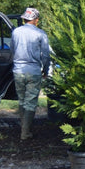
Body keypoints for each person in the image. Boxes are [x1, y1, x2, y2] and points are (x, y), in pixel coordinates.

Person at [10, 8, 51, 140]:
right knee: (31, 102)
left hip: (18, 71)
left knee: (21, 100)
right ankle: (25, 132)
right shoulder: (41, 34)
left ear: (24, 19)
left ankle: (24, 128)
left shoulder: (16, 32)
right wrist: (45, 69)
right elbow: (45, 55)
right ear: (36, 20)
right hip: (33, 71)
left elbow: (12, 50)